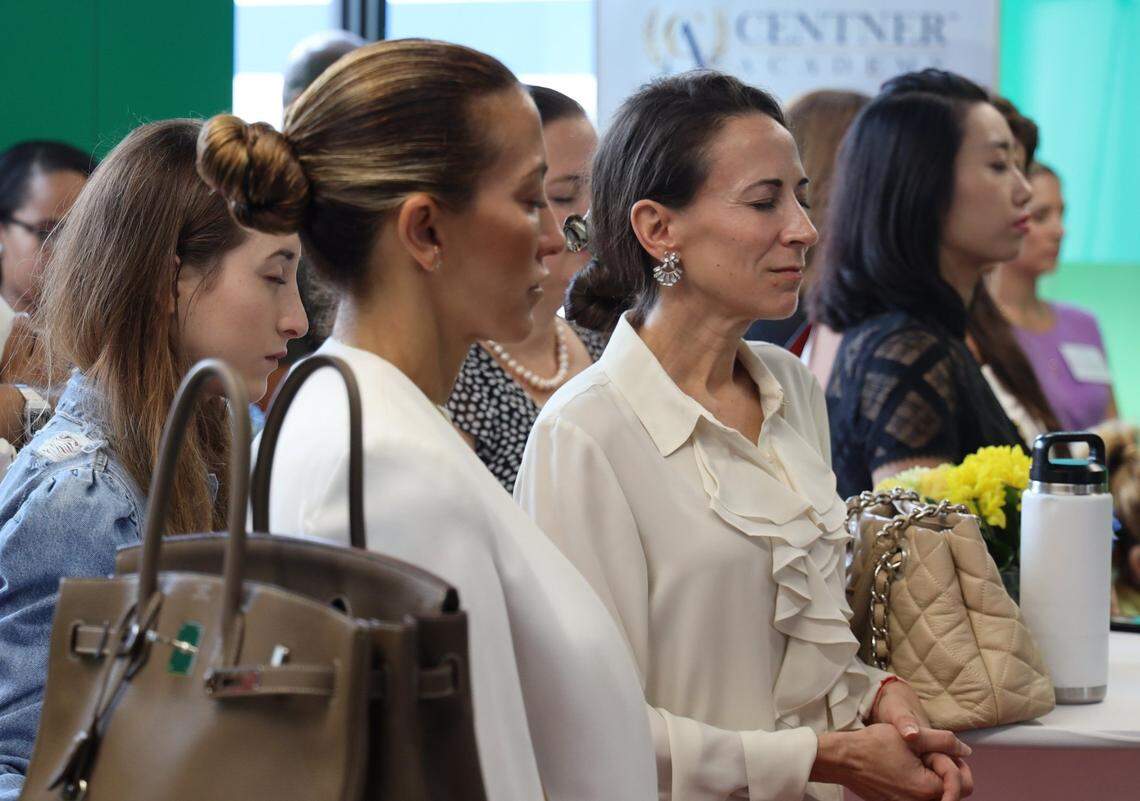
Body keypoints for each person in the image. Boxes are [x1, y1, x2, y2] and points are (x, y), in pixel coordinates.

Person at [196, 39, 655, 801]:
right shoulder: (391, 461)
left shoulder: (338, 401)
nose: (553, 234)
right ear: (426, 231)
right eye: (530, 197)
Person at [517, 71, 973, 801]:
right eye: (765, 201)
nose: (804, 229)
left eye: (802, 197)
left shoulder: (790, 388)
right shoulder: (586, 433)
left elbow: (791, 641)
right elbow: (583, 721)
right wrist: (822, 757)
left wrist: (875, 692)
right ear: (658, 228)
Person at [0, 119, 307, 800]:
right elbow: (21, 769)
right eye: (273, 278)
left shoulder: (208, 456)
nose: (296, 319)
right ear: (171, 281)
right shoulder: (84, 499)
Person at [816, 69, 1030, 497]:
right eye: (998, 165)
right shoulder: (907, 351)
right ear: (923, 183)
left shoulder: (927, 335)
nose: (1024, 190)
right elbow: (915, 552)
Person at [446, 84, 604, 492]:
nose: (591, 219)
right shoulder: (450, 374)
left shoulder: (607, 347)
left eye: (601, 192)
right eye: (562, 196)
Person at [990, 163, 1117, 431]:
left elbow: (1116, 431)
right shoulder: (979, 331)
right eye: (1040, 216)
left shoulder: (1084, 324)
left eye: (1062, 213)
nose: (1060, 231)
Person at [966, 97, 1062, 444]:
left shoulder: (987, 322)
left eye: (1021, 168)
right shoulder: (899, 334)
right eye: (999, 167)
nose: (1022, 191)